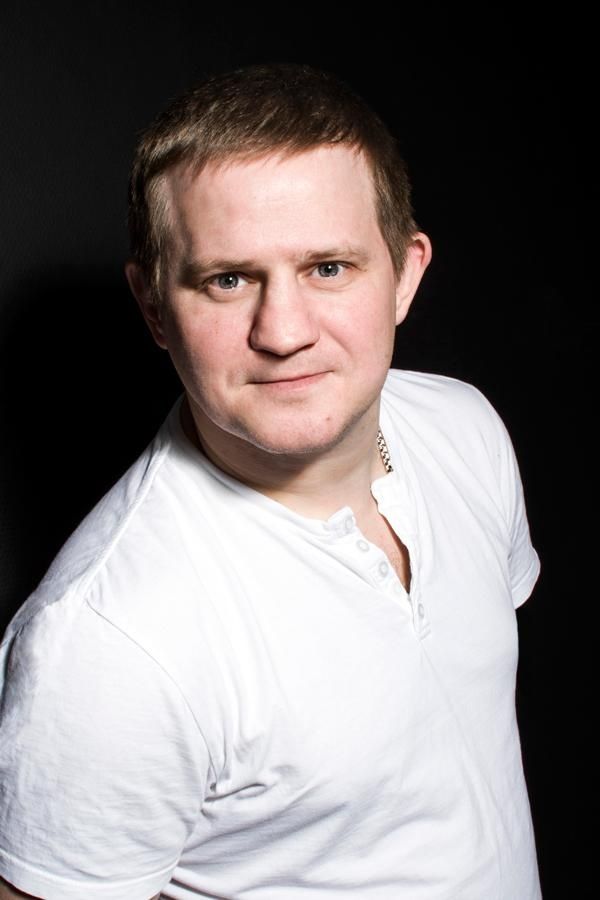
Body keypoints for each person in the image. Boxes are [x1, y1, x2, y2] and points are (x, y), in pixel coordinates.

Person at [0, 63, 541, 899]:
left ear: (405, 274)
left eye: (328, 267)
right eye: (228, 279)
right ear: (154, 308)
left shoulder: (465, 430)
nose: (283, 332)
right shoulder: (105, 646)